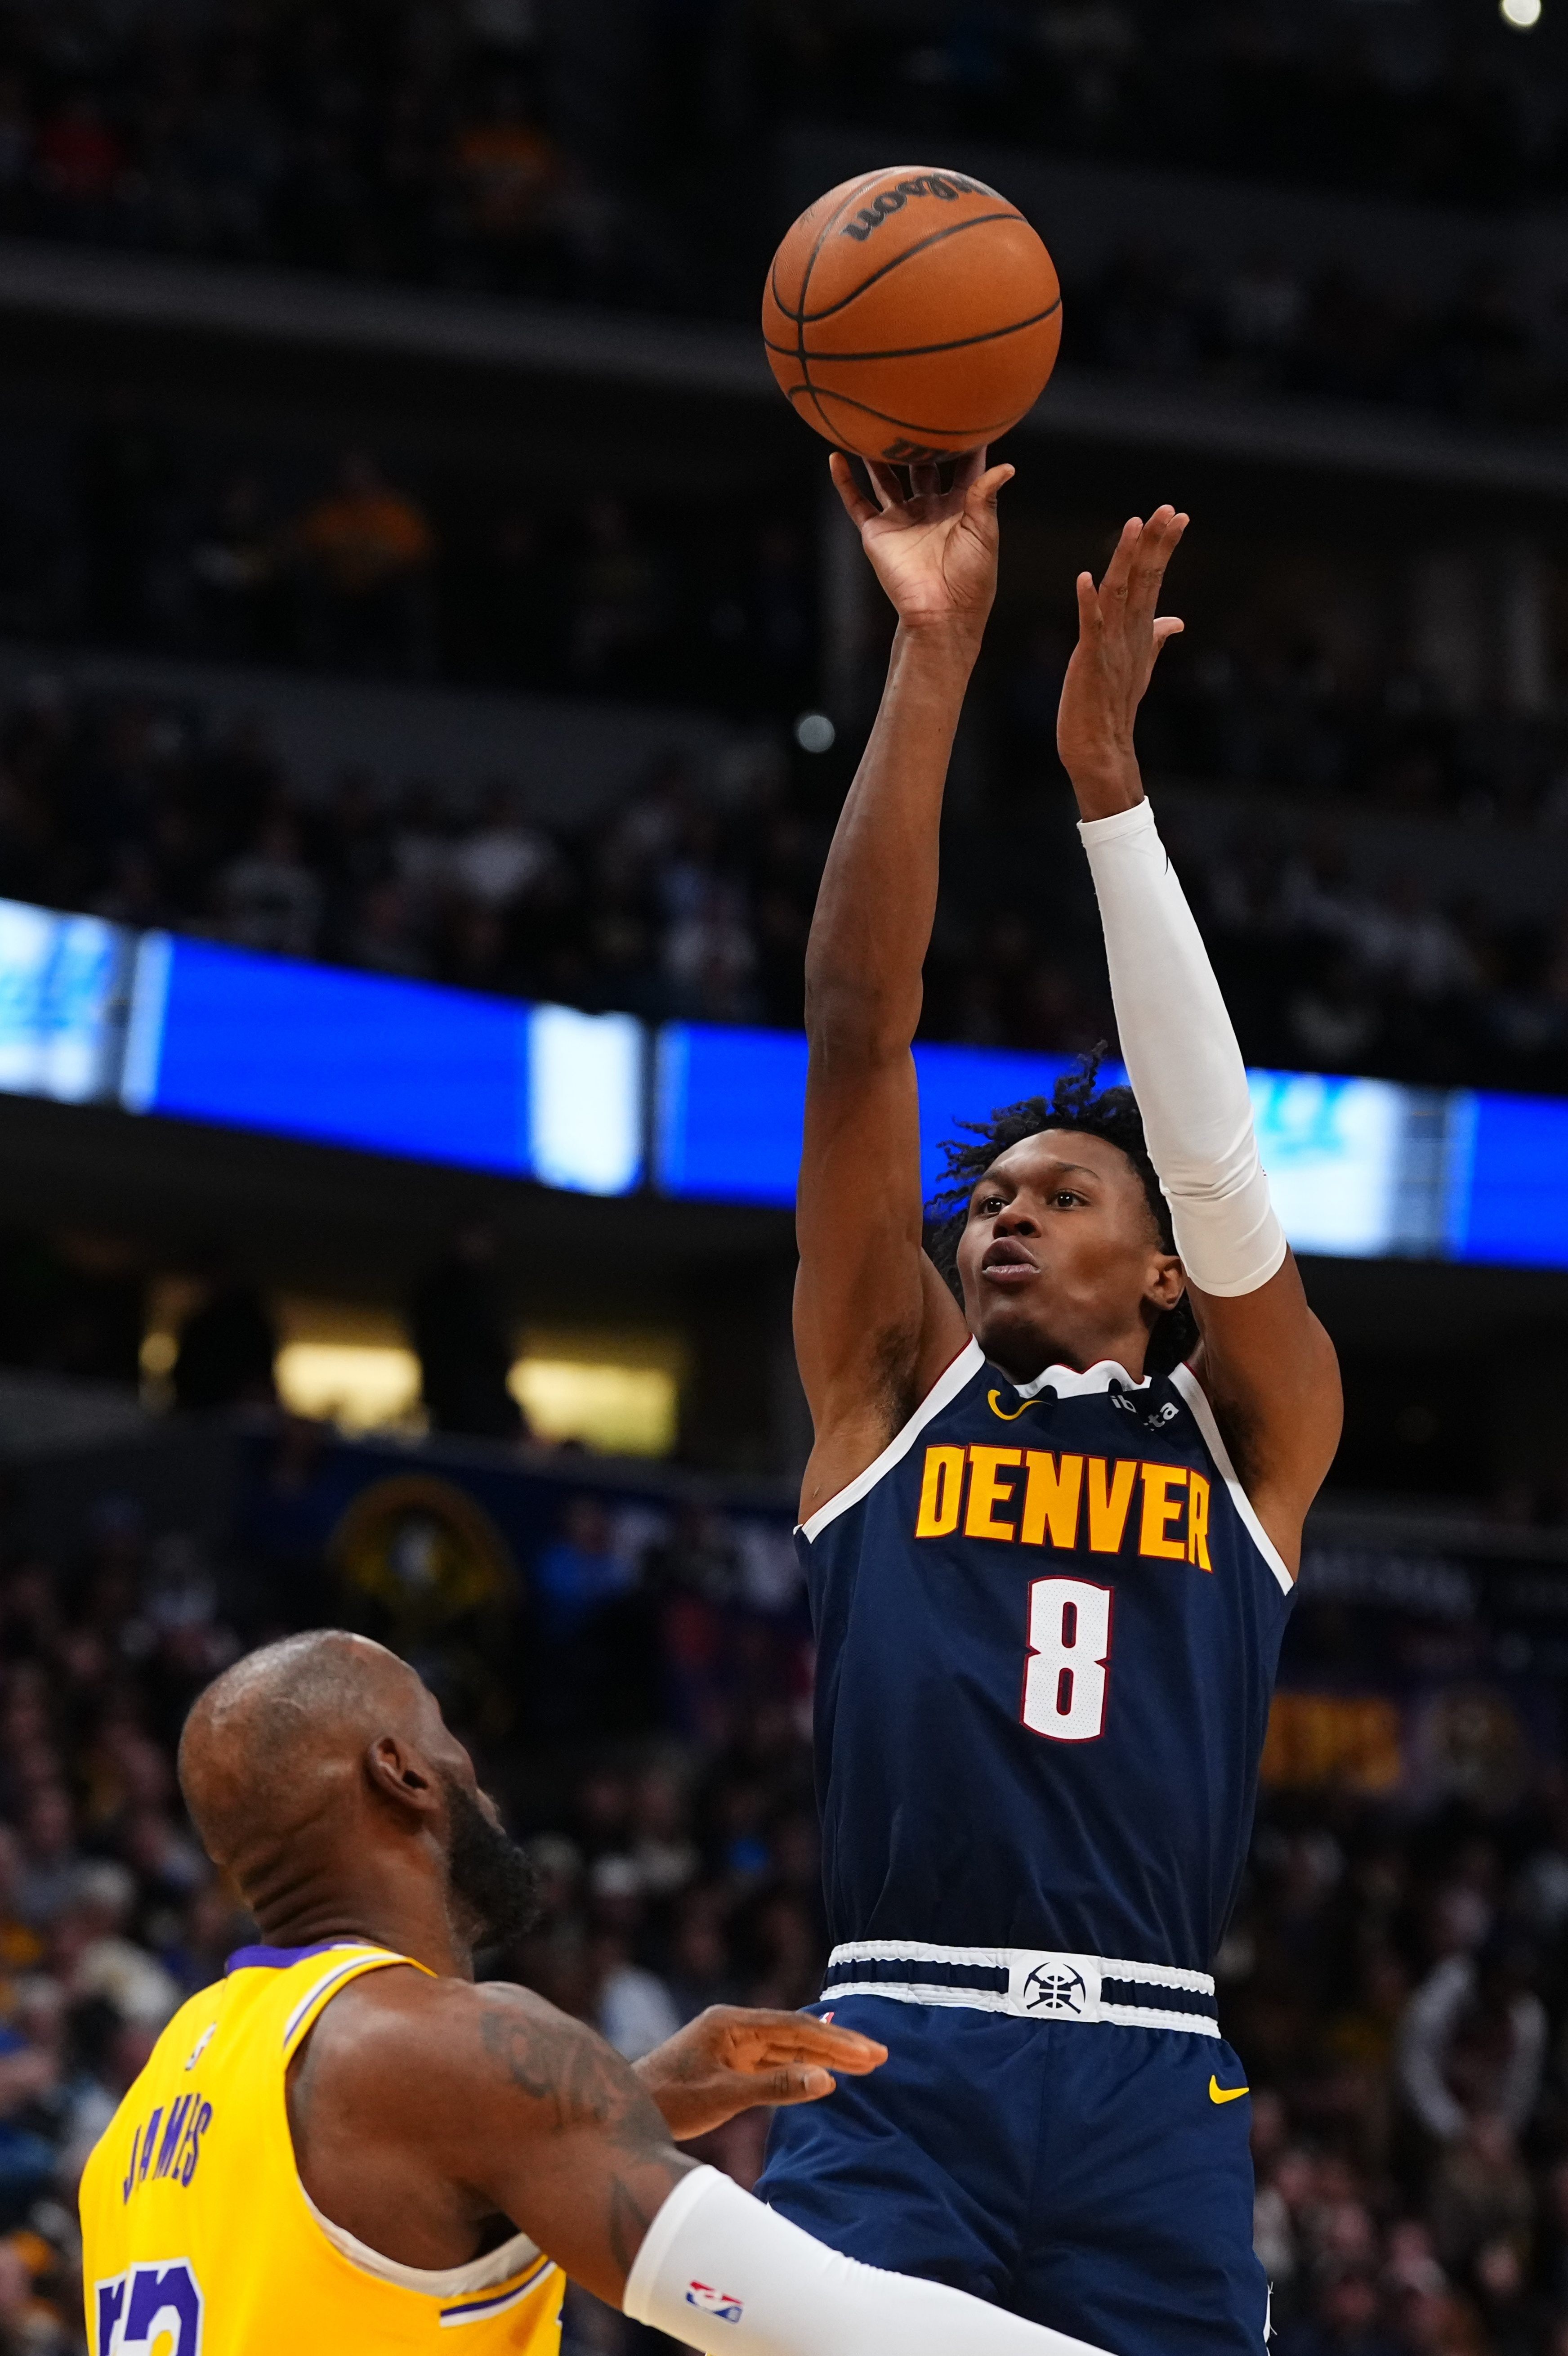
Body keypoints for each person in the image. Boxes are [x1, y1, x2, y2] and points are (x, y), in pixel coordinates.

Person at [756, 448, 1344, 2356]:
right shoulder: (891, 1384)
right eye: (987, 1197)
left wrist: (1109, 793)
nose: (1001, 1214)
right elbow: (858, 1026)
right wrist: (932, 651)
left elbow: (1218, 1166)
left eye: (1062, 1197)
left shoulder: (1254, 1433)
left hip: (1147, 2072)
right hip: (896, 2039)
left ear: (1162, 1274)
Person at [79, 1628, 1125, 2356]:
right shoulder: (450, 2053)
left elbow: (366, 2228)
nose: (473, 1768)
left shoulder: (155, 2102)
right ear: (402, 1772)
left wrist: (626, 2096)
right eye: (444, 1731)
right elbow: (827, 2325)